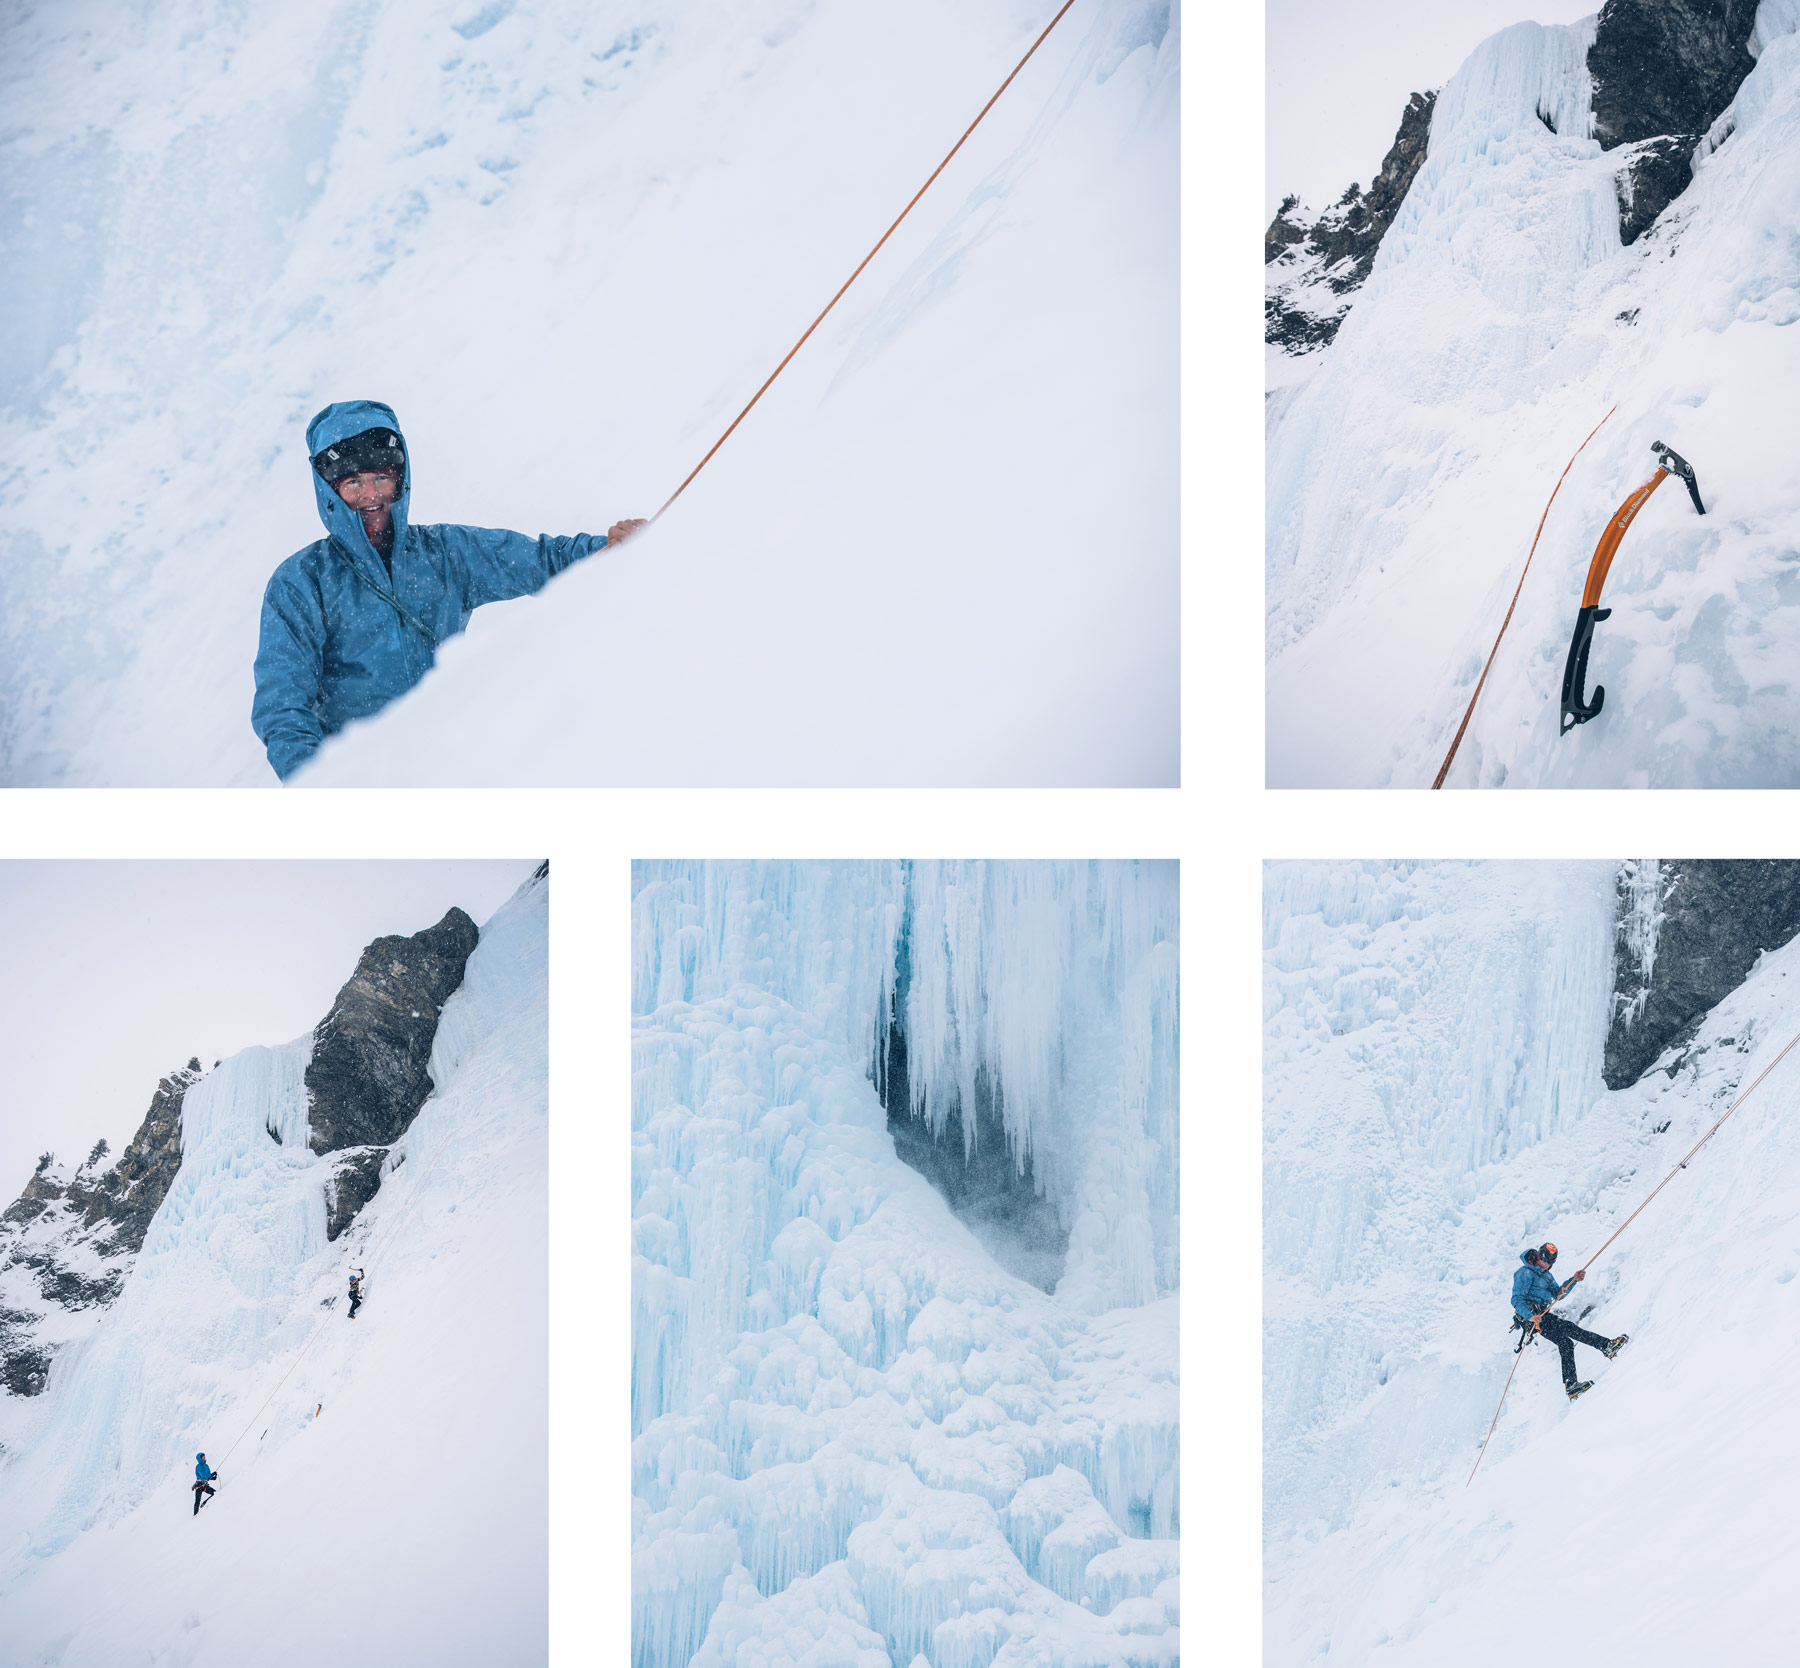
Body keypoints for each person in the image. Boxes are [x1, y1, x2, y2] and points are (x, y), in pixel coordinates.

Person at [252, 400, 647, 780]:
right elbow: (283, 708)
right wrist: (322, 796)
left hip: (455, 769)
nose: (371, 496)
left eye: (381, 479)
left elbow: (542, 560)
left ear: (400, 481)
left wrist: (607, 548)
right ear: (330, 492)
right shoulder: (301, 582)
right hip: (368, 789)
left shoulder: (445, 553)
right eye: (353, 482)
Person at [1511, 1242, 1627, 1401]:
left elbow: (1558, 1294)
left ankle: (1572, 1386)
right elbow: (1516, 1299)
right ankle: (1607, 1346)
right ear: (1539, 1258)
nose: (1548, 1266)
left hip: (1541, 1315)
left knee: (1566, 1343)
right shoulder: (1525, 1273)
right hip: (1533, 1319)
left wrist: (1573, 1280)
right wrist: (1530, 1316)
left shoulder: (1547, 1275)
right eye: (1547, 1263)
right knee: (1569, 1329)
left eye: (1551, 1264)